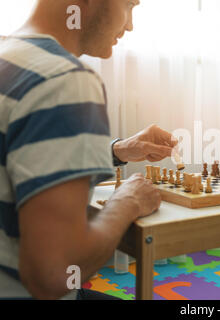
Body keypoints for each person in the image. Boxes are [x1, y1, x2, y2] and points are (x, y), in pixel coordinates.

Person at [0, 0, 177, 299]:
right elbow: (54, 273)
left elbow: (23, 160)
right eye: (130, 5)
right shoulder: (64, 80)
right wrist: (126, 203)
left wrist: (119, 150)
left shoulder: (11, 57)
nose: (130, 24)